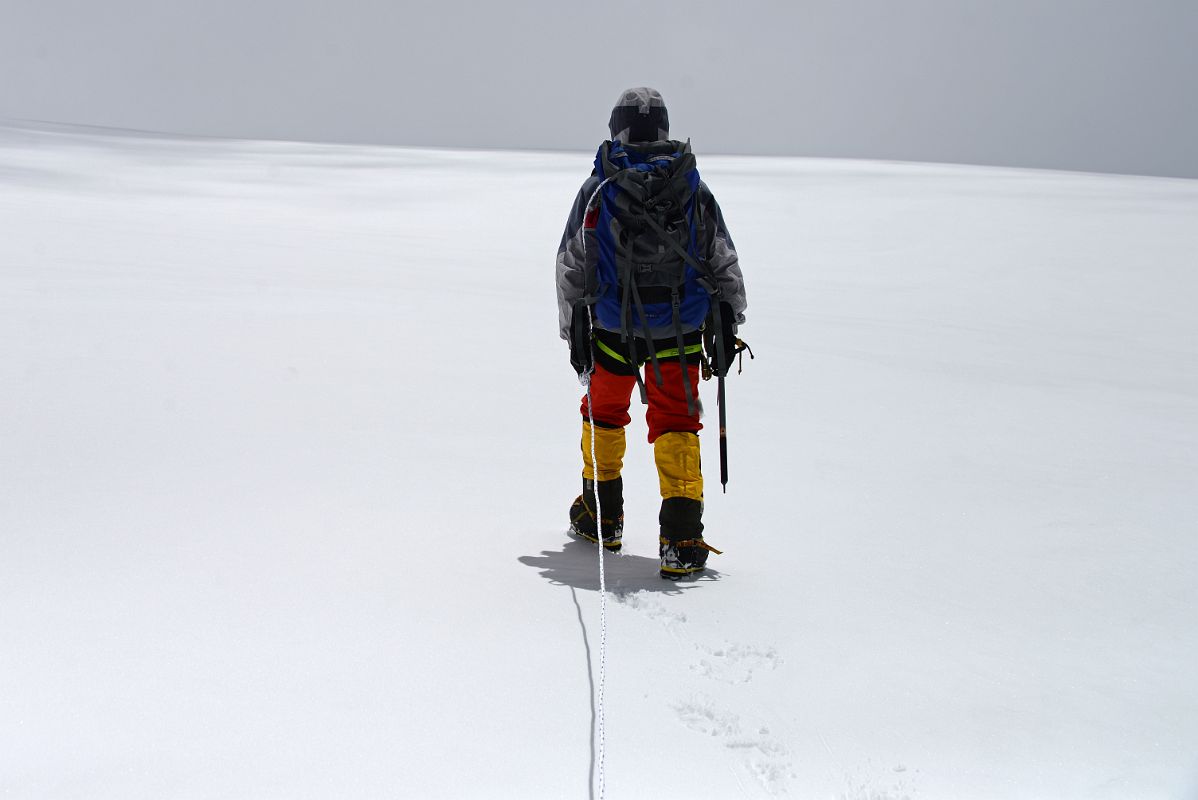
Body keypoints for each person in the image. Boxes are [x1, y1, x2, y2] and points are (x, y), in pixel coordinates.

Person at [555, 87, 748, 578]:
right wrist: (730, 319)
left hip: (612, 328)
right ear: (663, 127)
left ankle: (603, 517)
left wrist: (571, 330)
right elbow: (721, 256)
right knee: (677, 419)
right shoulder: (689, 185)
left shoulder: (600, 186)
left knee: (603, 413)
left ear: (615, 125)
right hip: (680, 329)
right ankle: (682, 539)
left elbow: (571, 264)